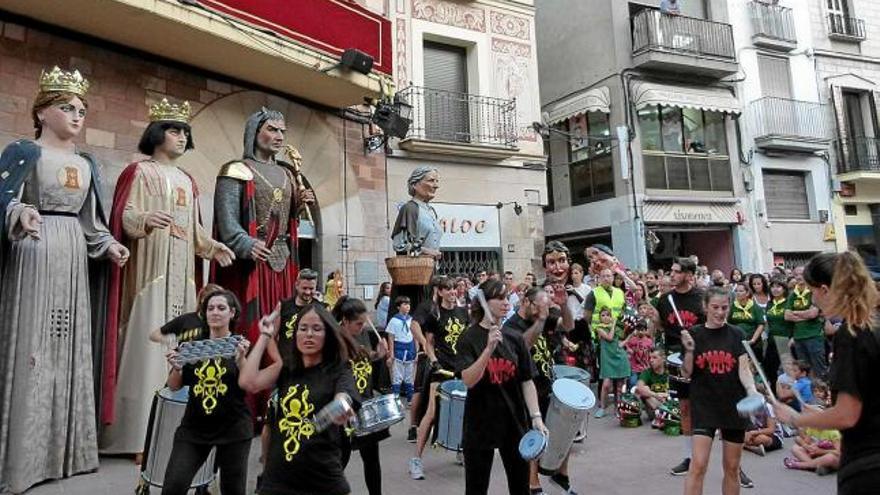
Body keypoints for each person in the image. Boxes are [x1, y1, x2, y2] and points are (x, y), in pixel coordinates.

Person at [0, 66, 129, 494]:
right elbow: (5, 201)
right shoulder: (23, 153)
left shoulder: (86, 163)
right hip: (34, 251)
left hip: (74, 251)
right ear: (41, 112)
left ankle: (68, 453)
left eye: (81, 109)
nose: (76, 115)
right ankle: (24, 460)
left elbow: (91, 221)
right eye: (66, 107)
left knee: (69, 348)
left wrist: (108, 245)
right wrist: (19, 214)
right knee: (33, 348)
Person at [100, 99, 235, 455]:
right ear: (156, 134)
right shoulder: (139, 172)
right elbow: (124, 217)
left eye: (184, 132)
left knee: (179, 350)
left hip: (183, 280)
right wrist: (144, 220)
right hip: (150, 274)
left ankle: (175, 431)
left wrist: (212, 247)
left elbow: (193, 231)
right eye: (174, 130)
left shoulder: (188, 181)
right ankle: (136, 435)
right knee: (148, 347)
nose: (180, 137)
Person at [774, 251, 880, 494]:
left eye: (812, 292)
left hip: (868, 465)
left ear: (824, 289)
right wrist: (822, 413)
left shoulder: (852, 334)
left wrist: (795, 418)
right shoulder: (874, 324)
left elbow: (847, 415)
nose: (813, 300)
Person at [212, 107, 314, 346]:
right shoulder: (236, 169)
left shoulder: (287, 173)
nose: (279, 136)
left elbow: (286, 220)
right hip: (251, 262)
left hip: (282, 260)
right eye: (272, 129)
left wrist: (298, 206)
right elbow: (227, 219)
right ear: (254, 132)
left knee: (284, 320)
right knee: (254, 325)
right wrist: (245, 243)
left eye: (283, 131)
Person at [239, 303, 359, 495]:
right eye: (303, 328)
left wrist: (339, 407)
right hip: (278, 479)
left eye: (316, 328)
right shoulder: (286, 368)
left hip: (322, 479)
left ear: (327, 334)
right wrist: (265, 336)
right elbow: (248, 382)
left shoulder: (338, 370)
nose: (309, 334)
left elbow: (344, 396)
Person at [456, 279, 547, 495]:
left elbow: (526, 380)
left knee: (519, 486)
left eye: (507, 297)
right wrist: (488, 349)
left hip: (513, 422)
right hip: (480, 423)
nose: (507, 302)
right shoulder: (468, 338)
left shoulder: (514, 337)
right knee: (476, 488)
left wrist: (536, 417)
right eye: (500, 298)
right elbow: (468, 380)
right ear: (485, 303)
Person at [160, 290, 253, 495]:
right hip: (195, 427)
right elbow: (174, 386)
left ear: (232, 313)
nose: (215, 313)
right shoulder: (191, 348)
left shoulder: (241, 346)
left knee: (233, 490)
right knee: (173, 486)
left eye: (221, 308)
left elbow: (248, 385)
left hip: (234, 427)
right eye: (210, 308)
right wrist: (177, 367)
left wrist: (241, 359)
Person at [681, 287, 759, 495]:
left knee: (732, 468)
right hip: (704, 405)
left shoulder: (737, 334)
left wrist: (751, 390)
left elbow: (744, 369)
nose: (720, 312)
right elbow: (687, 373)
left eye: (724, 307)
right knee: (698, 466)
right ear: (705, 307)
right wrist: (689, 351)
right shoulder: (694, 334)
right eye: (715, 307)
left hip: (733, 406)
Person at [409, 276, 470, 479]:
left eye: (455, 289)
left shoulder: (463, 313)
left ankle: (461, 450)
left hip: (461, 368)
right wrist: (434, 360)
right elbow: (429, 343)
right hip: (441, 370)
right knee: (432, 413)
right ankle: (416, 459)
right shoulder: (434, 315)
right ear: (440, 292)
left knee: (463, 411)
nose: (453, 292)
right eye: (449, 289)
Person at [333, 296, 389, 495]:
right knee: (339, 460)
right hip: (345, 406)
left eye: (364, 322)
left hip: (365, 403)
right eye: (358, 323)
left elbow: (365, 356)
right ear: (345, 321)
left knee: (372, 458)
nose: (362, 326)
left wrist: (378, 355)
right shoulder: (335, 339)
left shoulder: (363, 333)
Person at [654, 258, 703, 477]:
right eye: (670, 271)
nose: (671, 275)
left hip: (700, 356)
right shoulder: (665, 300)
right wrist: (651, 319)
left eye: (676, 272)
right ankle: (690, 457)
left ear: (689, 274)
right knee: (684, 407)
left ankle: (729, 460)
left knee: (708, 406)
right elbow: (660, 326)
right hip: (676, 358)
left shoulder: (702, 297)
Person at [390, 166, 442, 309]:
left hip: (430, 272)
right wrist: (428, 251)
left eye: (437, 181)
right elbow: (400, 244)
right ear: (415, 184)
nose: (436, 185)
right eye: (431, 180)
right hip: (413, 274)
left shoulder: (432, 211)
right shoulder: (410, 208)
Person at [784, 266, 827, 378]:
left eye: (801, 274)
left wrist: (796, 313)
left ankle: (824, 393)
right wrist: (805, 314)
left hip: (814, 336)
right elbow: (787, 316)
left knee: (819, 369)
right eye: (796, 275)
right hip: (798, 337)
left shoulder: (813, 291)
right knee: (804, 371)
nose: (799, 277)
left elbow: (813, 313)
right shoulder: (793, 294)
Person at [595, 308, 631, 419]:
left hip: (619, 357)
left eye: (607, 315)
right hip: (607, 360)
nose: (605, 317)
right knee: (606, 385)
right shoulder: (599, 328)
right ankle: (602, 407)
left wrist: (630, 337)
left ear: (611, 316)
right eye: (603, 315)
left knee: (619, 386)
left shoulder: (619, 328)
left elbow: (620, 343)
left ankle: (618, 408)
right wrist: (614, 324)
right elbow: (610, 338)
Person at [386, 296, 419, 403]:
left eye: (408, 304)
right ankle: (396, 400)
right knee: (397, 376)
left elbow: (416, 336)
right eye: (404, 304)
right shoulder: (394, 320)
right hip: (398, 350)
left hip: (410, 350)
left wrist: (417, 352)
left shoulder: (411, 320)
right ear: (398, 307)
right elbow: (390, 337)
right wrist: (391, 354)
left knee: (409, 377)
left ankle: (410, 399)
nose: (407, 306)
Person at [763, 278, 792, 390]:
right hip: (771, 340)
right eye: (773, 286)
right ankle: (775, 394)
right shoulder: (770, 304)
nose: (775, 289)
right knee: (769, 367)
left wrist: (792, 339)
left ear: (784, 288)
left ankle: (788, 397)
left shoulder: (789, 302)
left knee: (787, 371)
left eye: (778, 286)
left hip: (785, 340)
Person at [728, 282, 765, 367]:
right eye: (736, 291)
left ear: (747, 293)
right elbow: (728, 323)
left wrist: (753, 340)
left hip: (753, 342)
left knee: (754, 366)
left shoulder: (755, 307)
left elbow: (761, 325)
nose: (738, 293)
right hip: (737, 342)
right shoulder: (732, 306)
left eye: (741, 291)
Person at [636, 349, 670, 421]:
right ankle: (663, 412)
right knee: (645, 389)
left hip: (668, 400)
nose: (651, 360)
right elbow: (639, 388)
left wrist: (665, 395)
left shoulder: (670, 371)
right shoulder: (647, 372)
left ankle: (666, 412)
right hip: (654, 406)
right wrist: (656, 395)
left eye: (654, 357)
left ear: (663, 359)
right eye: (650, 358)